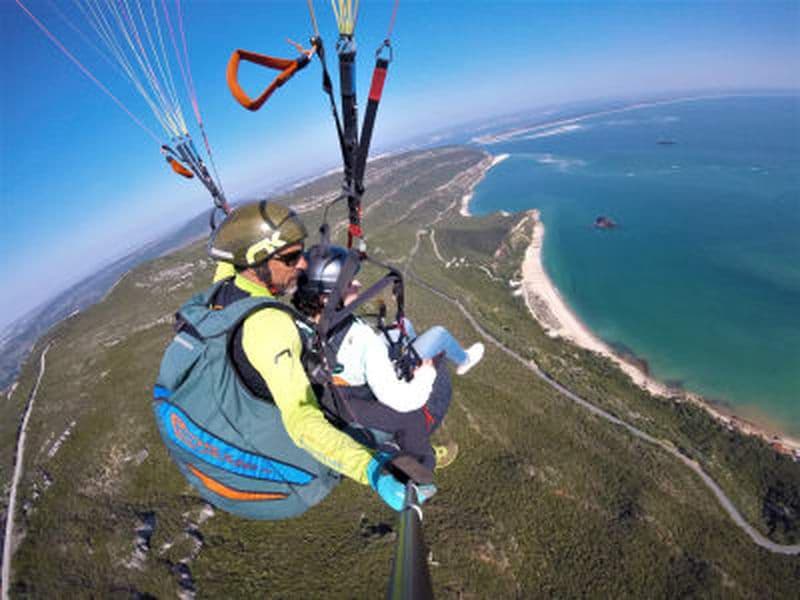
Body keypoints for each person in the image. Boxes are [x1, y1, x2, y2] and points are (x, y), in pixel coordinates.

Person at [154, 201, 432, 518]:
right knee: (391, 413)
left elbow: (233, 257)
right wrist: (371, 470)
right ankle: (408, 452)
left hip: (204, 424)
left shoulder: (225, 285)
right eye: (289, 258)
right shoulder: (270, 327)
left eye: (301, 253)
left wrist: (243, 225)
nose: (301, 265)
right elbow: (301, 420)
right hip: (277, 490)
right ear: (256, 264)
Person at [291, 244, 477, 469]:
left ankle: (416, 349)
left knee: (405, 326)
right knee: (438, 334)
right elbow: (402, 400)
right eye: (349, 284)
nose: (358, 285)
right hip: (370, 386)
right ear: (325, 298)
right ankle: (464, 360)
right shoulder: (362, 339)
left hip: (341, 375)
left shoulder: (301, 322)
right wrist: (425, 376)